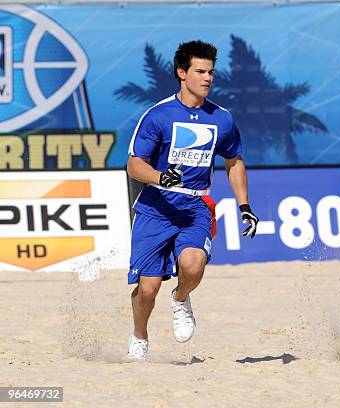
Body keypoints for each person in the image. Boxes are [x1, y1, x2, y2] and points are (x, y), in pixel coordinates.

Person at [125, 40, 259, 360]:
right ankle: (140, 336)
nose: (208, 78)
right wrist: (160, 177)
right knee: (147, 290)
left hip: (196, 206)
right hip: (156, 207)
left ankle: (181, 298)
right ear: (182, 73)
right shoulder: (158, 115)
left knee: (193, 264)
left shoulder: (222, 118)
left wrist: (244, 206)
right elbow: (134, 164)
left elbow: (234, 161)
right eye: (200, 71)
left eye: (211, 72)